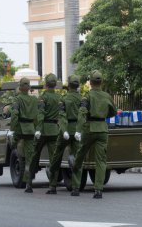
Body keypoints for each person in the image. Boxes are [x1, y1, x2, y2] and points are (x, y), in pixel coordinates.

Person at [71, 70, 117, 198]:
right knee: (101, 161)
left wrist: (78, 130)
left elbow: (82, 113)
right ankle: (98, 190)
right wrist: (103, 115)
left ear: (90, 82)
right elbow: (113, 112)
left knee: (79, 157)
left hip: (89, 128)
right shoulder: (107, 96)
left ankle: (75, 188)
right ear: (101, 82)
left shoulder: (87, 96)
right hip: (102, 128)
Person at [46, 75, 82, 194]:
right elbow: (84, 116)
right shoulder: (83, 99)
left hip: (65, 131)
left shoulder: (64, 99)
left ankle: (52, 186)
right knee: (77, 158)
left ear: (69, 85)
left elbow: (62, 116)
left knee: (56, 158)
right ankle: (76, 187)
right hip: (77, 130)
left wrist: (64, 130)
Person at [29, 73, 61, 192]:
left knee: (34, 155)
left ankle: (29, 182)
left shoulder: (43, 97)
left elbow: (40, 114)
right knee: (54, 159)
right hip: (54, 130)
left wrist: (38, 129)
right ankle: (53, 185)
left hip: (43, 130)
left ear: (46, 84)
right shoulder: (59, 98)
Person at [10, 78, 38, 193]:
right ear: (29, 88)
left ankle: (23, 173)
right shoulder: (34, 100)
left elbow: (15, 115)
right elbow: (37, 116)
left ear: (20, 88)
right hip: (31, 130)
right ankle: (29, 184)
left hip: (20, 130)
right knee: (29, 159)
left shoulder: (17, 100)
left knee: (16, 151)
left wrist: (14, 130)